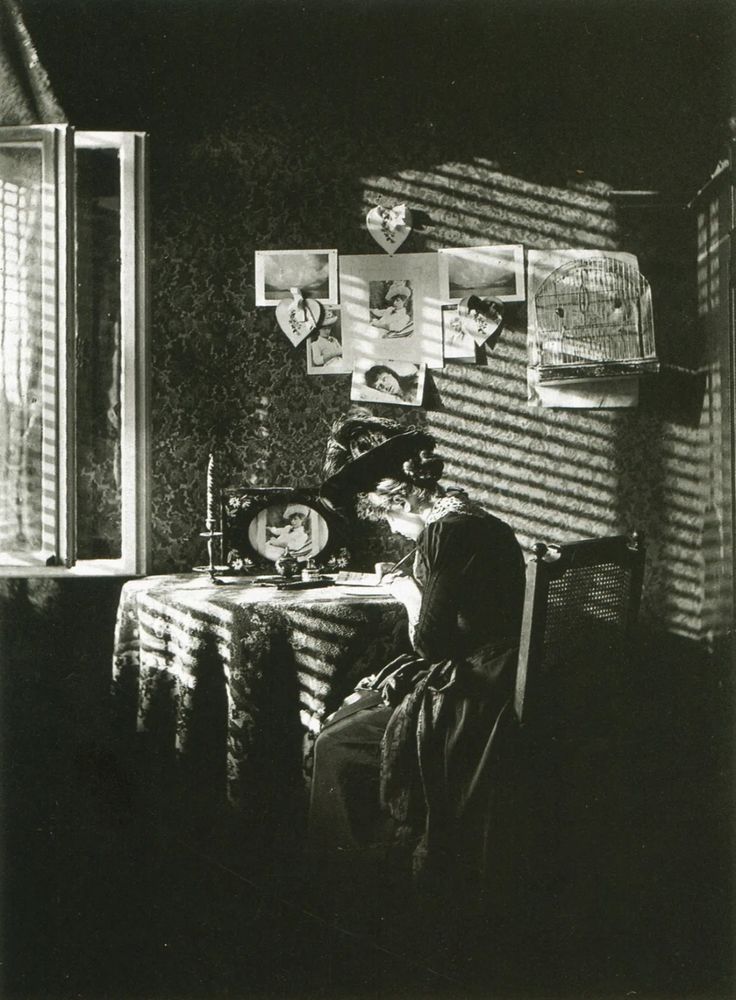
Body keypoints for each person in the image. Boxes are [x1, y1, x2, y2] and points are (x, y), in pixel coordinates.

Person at [309, 412, 526, 913]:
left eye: (387, 518)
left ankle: (347, 887)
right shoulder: (479, 520)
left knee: (335, 741)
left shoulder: (444, 534)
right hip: (508, 670)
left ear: (403, 500)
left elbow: (429, 646)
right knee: (366, 703)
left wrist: (407, 590)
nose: (392, 530)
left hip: (479, 691)